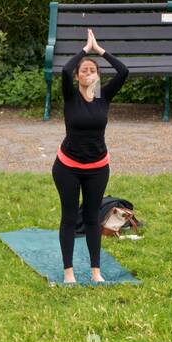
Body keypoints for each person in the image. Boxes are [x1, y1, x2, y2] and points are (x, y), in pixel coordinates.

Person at [54, 28, 129, 284]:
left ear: (98, 76)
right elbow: (64, 71)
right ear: (78, 77)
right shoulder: (71, 97)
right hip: (68, 167)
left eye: (92, 70)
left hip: (98, 167)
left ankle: (96, 272)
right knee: (69, 216)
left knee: (91, 217)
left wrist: (100, 51)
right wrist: (85, 51)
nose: (88, 73)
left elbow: (124, 72)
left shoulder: (103, 97)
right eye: (84, 70)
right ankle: (69, 272)